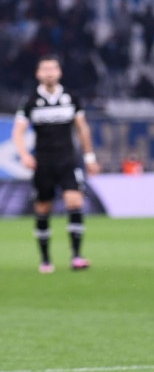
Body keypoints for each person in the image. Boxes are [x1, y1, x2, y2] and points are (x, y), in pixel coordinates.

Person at [12, 55, 101, 273]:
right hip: (43, 162)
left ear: (59, 72)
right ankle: (45, 259)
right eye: (45, 69)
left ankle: (77, 256)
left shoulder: (71, 97)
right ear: (38, 74)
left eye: (53, 68)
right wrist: (24, 155)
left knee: (74, 202)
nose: (49, 72)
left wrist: (89, 157)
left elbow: (82, 129)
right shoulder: (30, 101)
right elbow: (18, 131)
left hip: (67, 160)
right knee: (43, 207)